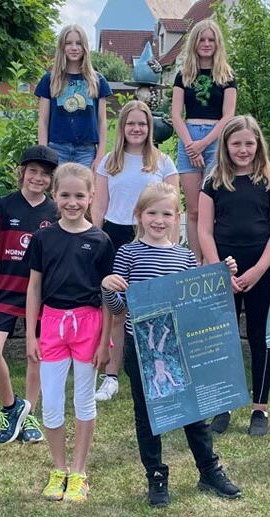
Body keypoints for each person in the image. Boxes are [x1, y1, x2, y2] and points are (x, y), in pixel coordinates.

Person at [101, 182, 242, 508]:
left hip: (179, 348)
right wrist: (108, 287)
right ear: (138, 215)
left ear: (177, 217)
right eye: (152, 212)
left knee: (194, 412)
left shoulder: (184, 256)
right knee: (148, 415)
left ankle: (209, 470)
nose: (159, 219)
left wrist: (222, 276)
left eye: (167, 213)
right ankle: (156, 476)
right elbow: (118, 307)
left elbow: (198, 301)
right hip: (142, 349)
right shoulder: (128, 253)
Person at [25, 163, 116, 503]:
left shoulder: (101, 240)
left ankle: (79, 471)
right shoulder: (43, 237)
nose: (73, 202)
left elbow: (108, 295)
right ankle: (59, 468)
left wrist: (105, 340)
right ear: (55, 195)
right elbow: (34, 288)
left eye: (80, 195)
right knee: (51, 403)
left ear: (91, 197)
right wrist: (31, 334)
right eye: (65, 195)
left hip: (88, 324)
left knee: (83, 400)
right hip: (51, 324)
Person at [198, 115, 270, 437]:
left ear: (258, 145)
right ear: (226, 146)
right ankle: (222, 404)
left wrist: (259, 269)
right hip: (223, 270)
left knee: (260, 337)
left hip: (262, 270)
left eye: (249, 143)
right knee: (222, 338)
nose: (243, 149)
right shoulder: (213, 182)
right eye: (236, 143)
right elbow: (204, 230)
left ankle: (260, 407)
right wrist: (218, 266)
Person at [92, 100, 179, 402]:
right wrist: (98, 238)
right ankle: (111, 374)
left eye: (142, 123)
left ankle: (153, 370)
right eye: (131, 123)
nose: (137, 129)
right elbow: (99, 204)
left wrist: (173, 243)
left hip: (152, 238)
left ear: (150, 127)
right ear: (122, 127)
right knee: (117, 310)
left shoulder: (163, 162)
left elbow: (173, 208)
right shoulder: (108, 162)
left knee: (154, 310)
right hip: (116, 234)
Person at [0, 145, 59, 445]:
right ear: (22, 173)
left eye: (45, 174)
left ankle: (30, 417)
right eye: (33, 171)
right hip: (6, 291)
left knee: (35, 354)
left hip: (39, 294)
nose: (38, 178)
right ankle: (11, 407)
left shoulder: (54, 211)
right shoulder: (5, 206)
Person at [171, 18, 237, 258]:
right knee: (194, 208)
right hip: (188, 137)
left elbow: (228, 115)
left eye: (211, 40)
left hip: (215, 140)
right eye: (202, 39)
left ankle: (211, 259)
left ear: (217, 43)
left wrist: (204, 144)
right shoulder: (184, 75)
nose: (207, 44)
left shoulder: (227, 75)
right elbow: (176, 114)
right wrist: (191, 146)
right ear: (195, 43)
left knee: (212, 204)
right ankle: (195, 260)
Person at [35, 24, 112, 168]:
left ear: (85, 47)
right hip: (56, 149)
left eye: (79, 43)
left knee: (84, 190)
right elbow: (43, 121)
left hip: (86, 151)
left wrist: (100, 156)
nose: (74, 47)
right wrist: (43, 153)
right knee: (58, 190)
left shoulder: (97, 81)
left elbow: (102, 122)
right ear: (62, 47)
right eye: (69, 43)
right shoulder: (49, 80)